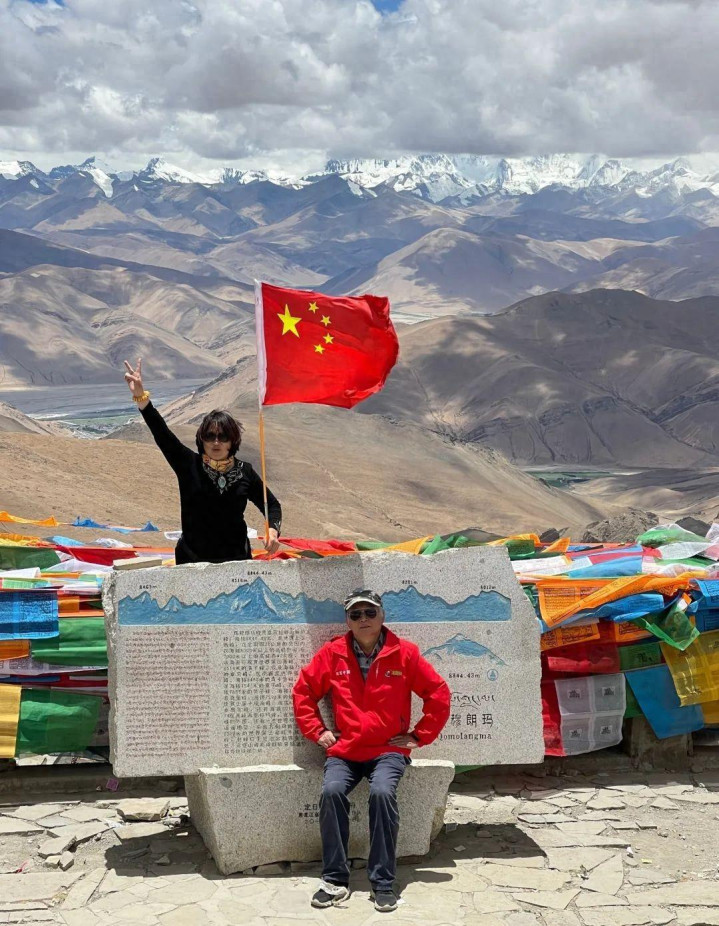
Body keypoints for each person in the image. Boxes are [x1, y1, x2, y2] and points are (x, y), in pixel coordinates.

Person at [292, 589, 451, 912]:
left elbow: (438, 693)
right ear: (347, 620)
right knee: (331, 792)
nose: (363, 619)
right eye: (355, 614)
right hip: (345, 750)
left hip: (388, 750)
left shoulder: (404, 653)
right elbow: (304, 691)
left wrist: (419, 735)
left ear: (382, 615)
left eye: (370, 612)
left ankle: (383, 882)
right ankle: (335, 879)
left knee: (381, 793)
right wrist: (317, 731)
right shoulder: (332, 653)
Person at [123, 357, 281, 564]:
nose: (216, 442)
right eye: (209, 436)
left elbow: (272, 506)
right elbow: (161, 433)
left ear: (233, 440)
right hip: (191, 561)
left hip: (237, 561)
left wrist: (273, 530)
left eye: (223, 437)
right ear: (201, 439)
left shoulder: (245, 471)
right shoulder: (188, 464)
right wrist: (141, 397)